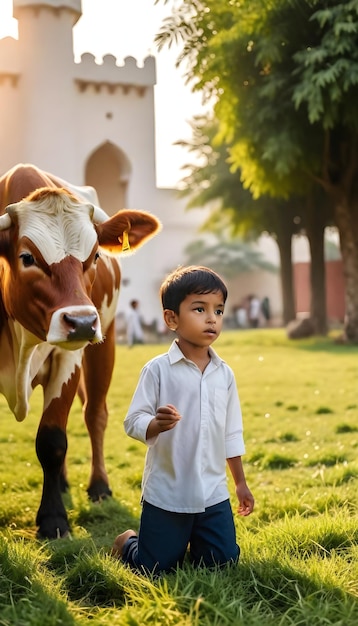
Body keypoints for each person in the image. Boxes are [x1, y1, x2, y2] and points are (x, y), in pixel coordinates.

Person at [112, 265, 254, 575]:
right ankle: (128, 542)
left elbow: (231, 433)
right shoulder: (158, 370)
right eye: (199, 309)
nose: (211, 318)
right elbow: (133, 420)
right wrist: (155, 424)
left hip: (212, 494)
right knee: (153, 568)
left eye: (218, 310)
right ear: (171, 318)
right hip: (168, 493)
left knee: (223, 562)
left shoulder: (224, 374)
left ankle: (194, 539)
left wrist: (240, 483)